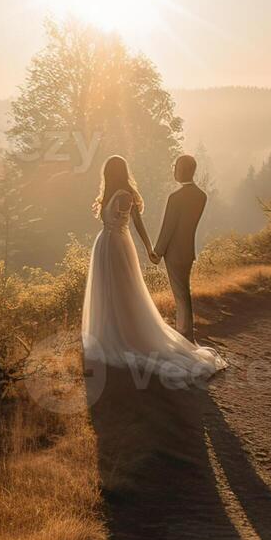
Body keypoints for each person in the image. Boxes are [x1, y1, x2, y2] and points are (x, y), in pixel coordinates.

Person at [81, 155, 226, 384]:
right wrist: (153, 251)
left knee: (127, 290)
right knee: (109, 290)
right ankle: (115, 331)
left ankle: (162, 334)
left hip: (118, 245)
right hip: (108, 246)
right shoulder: (110, 196)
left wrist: (153, 250)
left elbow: (147, 224)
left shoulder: (127, 196)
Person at [150, 154, 207, 338]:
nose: (174, 171)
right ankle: (186, 332)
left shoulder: (175, 197)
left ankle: (184, 334)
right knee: (185, 292)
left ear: (182, 170)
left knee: (180, 295)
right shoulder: (201, 196)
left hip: (173, 253)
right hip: (188, 250)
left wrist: (157, 252)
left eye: (175, 167)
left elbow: (168, 227)